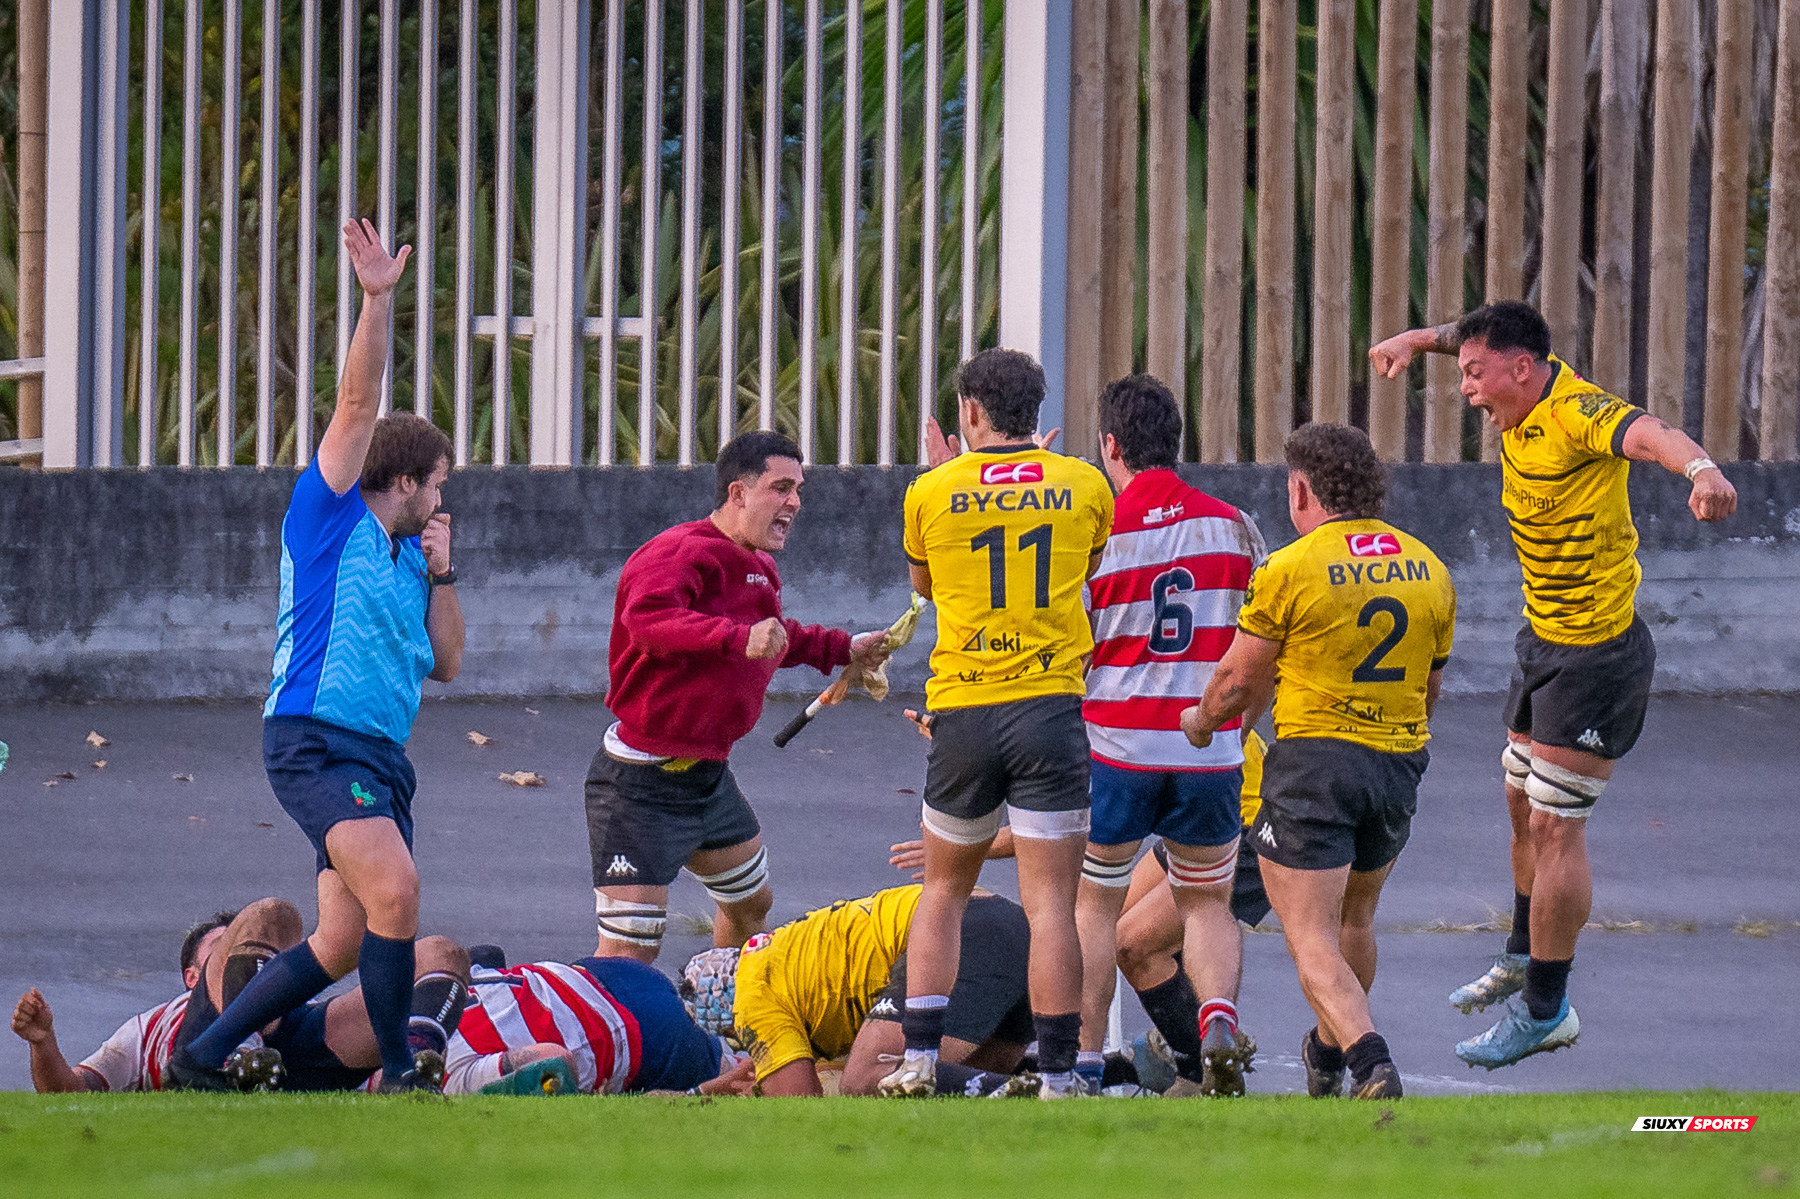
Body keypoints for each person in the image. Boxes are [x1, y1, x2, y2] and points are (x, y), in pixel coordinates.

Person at [1369, 302, 1737, 1068]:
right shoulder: (1510, 384)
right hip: (1541, 640)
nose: (1467, 388)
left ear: (1522, 369)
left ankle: (1546, 1007)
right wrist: (1417, 341)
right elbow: (1461, 337)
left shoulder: (1576, 412)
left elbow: (1652, 434)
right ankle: (1519, 948)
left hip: (1597, 655)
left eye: (1476, 374)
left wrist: (1700, 468)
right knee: (1516, 795)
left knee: (1553, 826)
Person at [171, 220, 465, 1093]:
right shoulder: (329, 512)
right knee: (399, 891)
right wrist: (376, 301)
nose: (445, 497)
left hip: (379, 757)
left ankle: (199, 1054)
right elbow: (355, 407)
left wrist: (446, 571)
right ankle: (403, 1073)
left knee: (341, 937)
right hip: (313, 739)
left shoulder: (415, 557)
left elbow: (447, 663)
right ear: (404, 480)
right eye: (440, 482)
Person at [1181, 423, 1456, 1100]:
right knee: (1354, 921)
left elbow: (1238, 681)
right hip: (1397, 762)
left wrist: (1198, 722)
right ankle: (1327, 1055)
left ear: (1302, 488)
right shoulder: (1429, 568)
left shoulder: (1291, 567)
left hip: (1314, 768)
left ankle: (1369, 1059)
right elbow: (1429, 687)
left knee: (1309, 938)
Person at [880, 349, 1115, 1099]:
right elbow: (1088, 563)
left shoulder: (931, 489)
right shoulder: (1084, 483)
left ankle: (917, 1057)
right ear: (1038, 413)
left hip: (965, 707)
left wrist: (955, 477)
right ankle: (1056, 1071)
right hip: (1048, 708)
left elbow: (925, 584)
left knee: (944, 890)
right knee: (1052, 902)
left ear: (970, 413)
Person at [585, 430, 892, 966]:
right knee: (629, 952)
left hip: (707, 780)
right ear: (737, 493)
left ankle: (723, 1009)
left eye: (798, 489)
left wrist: (846, 648)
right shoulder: (679, 552)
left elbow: (774, 634)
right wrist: (734, 638)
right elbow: (649, 621)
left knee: (752, 907)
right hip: (639, 784)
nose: (794, 502)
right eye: (780, 488)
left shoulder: (757, 563)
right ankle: (597, 1036)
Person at [1075, 374, 1267, 1097]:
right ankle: (1216, 1016)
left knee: (1094, 904)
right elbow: (1262, 641)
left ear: (1110, 445)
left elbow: (1074, 644)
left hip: (1118, 745)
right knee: (1205, 901)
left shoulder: (1099, 534)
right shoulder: (1235, 525)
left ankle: (1086, 1061)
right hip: (1208, 749)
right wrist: (1234, 724)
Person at [16, 898, 471, 1094]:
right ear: (193, 976)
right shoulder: (151, 1027)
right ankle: (236, 1053)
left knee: (440, 952)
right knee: (273, 913)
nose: (267, 969)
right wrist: (43, 1043)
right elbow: (73, 1090)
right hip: (204, 1057)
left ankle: (414, 1070)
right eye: (224, 949)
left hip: (292, 1052)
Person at [681, 884, 1034, 1097]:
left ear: (730, 1019)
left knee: (868, 1076)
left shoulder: (750, 1000)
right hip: (1004, 922)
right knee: (962, 1078)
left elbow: (797, 1102)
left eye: (739, 1037)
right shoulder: (778, 957)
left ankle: (1028, 1094)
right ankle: (1063, 1080)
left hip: (956, 932)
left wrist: (760, 1091)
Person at [439, 950, 754, 1097]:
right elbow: (485, 954)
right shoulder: (414, 998)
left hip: (643, 1031)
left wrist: (577, 1100)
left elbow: (554, 1063)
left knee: (753, 1077)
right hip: (602, 970)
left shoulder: (453, 1079)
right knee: (749, 1004)